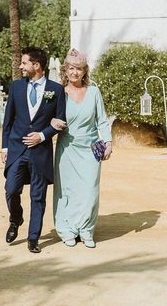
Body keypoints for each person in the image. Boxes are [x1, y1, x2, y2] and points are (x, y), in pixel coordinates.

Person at [1, 47, 66, 253]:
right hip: (16, 149)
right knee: (11, 190)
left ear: (36, 66)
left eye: (24, 63)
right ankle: (15, 218)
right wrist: (4, 147)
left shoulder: (56, 90)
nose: (21, 66)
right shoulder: (16, 87)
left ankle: (33, 238)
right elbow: (8, 120)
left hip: (41, 151)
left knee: (38, 196)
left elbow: (61, 120)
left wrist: (42, 135)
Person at [51, 48, 112, 249]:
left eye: (79, 69)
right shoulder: (59, 92)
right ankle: (67, 230)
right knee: (67, 191)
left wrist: (109, 142)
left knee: (89, 191)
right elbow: (47, 117)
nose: (75, 73)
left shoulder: (94, 92)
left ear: (85, 71)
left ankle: (86, 230)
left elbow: (102, 120)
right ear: (65, 70)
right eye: (71, 68)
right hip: (66, 149)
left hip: (90, 149)